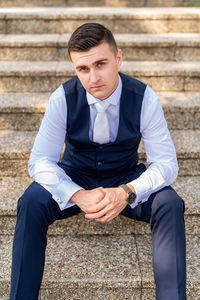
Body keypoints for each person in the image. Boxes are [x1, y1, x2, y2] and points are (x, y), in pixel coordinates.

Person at [9, 23, 186, 300]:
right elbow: (40, 161)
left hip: (125, 177)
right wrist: (76, 194)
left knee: (170, 204)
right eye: (83, 69)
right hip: (74, 176)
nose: (93, 78)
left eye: (101, 64)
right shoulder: (62, 98)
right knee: (30, 202)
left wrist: (126, 192)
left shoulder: (145, 98)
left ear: (118, 58)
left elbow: (166, 164)